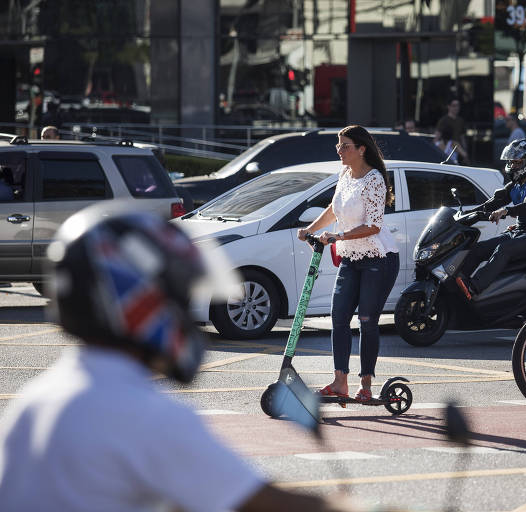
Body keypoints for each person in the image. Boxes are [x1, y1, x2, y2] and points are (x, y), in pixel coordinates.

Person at [0, 204, 362, 511]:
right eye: (177, 298)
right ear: (137, 301)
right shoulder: (142, 413)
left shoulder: (37, 398)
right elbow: (261, 503)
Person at [297, 125, 399, 402]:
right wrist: (310, 229)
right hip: (351, 257)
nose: (339, 150)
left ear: (361, 149)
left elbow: (374, 226)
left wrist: (338, 236)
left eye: (345, 146)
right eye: (338, 145)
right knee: (339, 317)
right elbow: (334, 209)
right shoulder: (345, 174)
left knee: (367, 320)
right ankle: (339, 382)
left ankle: (365, 385)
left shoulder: (374, 179)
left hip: (378, 257)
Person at [455, 138, 526, 300]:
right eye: (511, 162)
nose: (512, 166)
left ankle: (473, 287)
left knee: (503, 249)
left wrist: (506, 211)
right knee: (479, 248)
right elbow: (492, 203)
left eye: (517, 162)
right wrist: (467, 214)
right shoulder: (515, 185)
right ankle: (458, 282)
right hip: (518, 232)